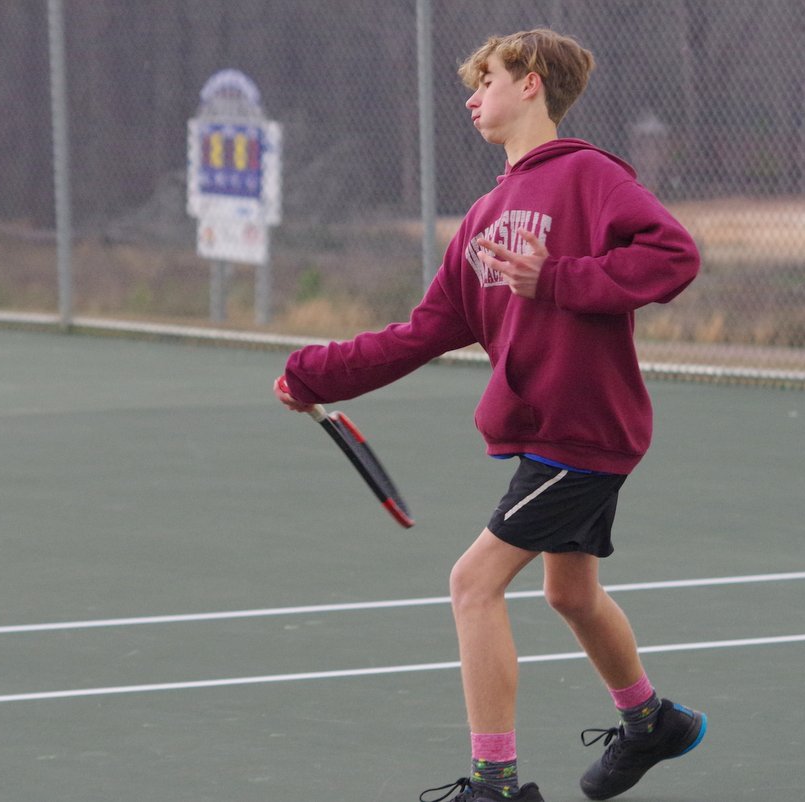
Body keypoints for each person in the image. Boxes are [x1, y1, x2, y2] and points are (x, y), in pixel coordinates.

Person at [274, 28, 706, 802]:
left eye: (487, 81)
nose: (473, 98)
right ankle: (652, 724)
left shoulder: (589, 176)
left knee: (473, 583)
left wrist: (559, 278)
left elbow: (674, 255)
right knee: (570, 594)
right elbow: (418, 334)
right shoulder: (480, 218)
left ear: (531, 82)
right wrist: (311, 373)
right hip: (546, 433)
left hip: (584, 430)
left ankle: (496, 785)